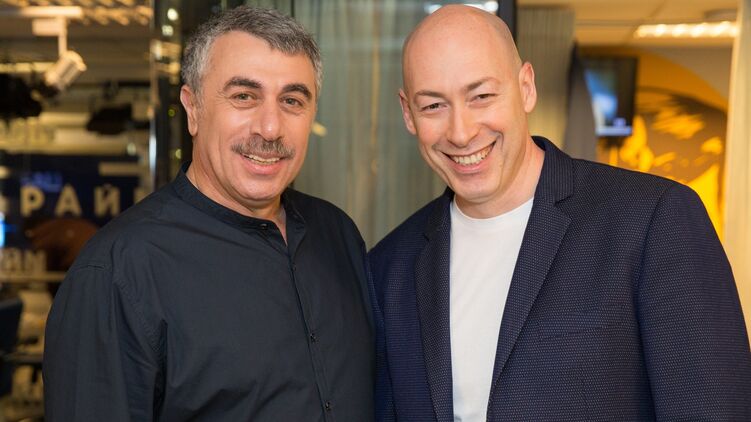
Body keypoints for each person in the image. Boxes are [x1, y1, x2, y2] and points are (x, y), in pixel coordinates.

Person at [368, 4, 751, 421]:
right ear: (407, 113)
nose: (461, 132)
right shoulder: (389, 267)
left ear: (526, 87)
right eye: (433, 106)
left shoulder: (653, 221)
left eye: (481, 96)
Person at [43, 6, 374, 421]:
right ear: (193, 107)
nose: (270, 128)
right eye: (244, 96)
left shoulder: (338, 235)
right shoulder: (119, 271)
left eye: (292, 101)